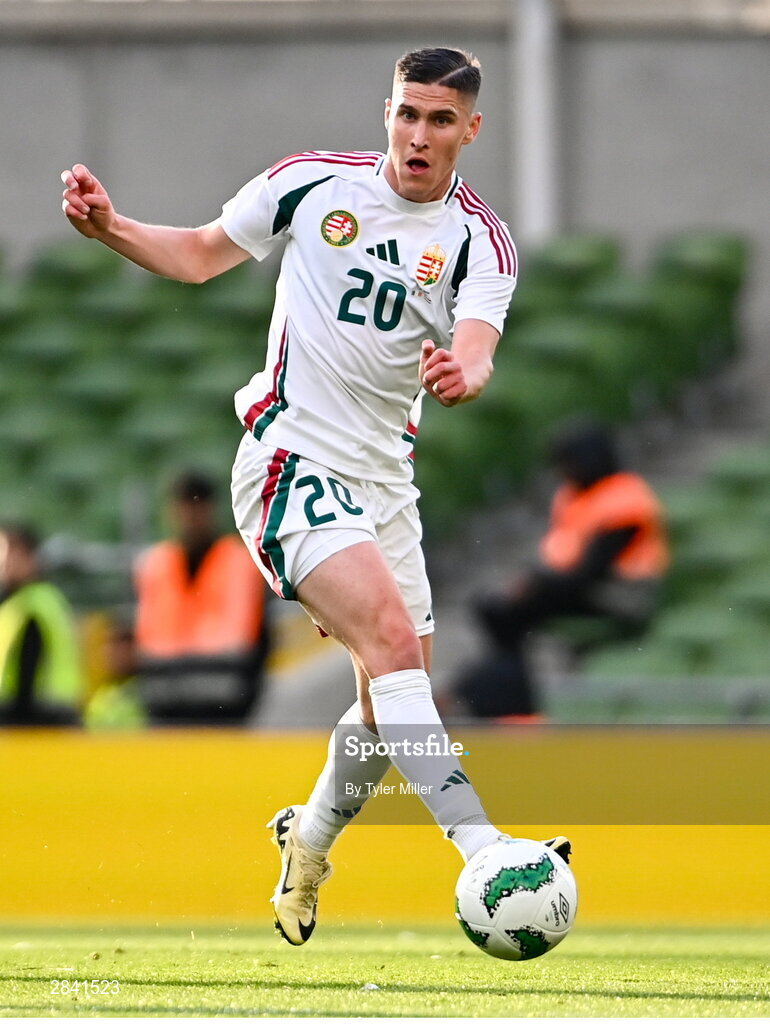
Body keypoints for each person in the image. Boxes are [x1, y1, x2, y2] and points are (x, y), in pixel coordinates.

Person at [60, 46, 571, 944]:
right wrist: (113, 229)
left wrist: (468, 370)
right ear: (387, 112)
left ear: (470, 131)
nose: (419, 135)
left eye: (440, 120)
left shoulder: (480, 242)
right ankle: (483, 848)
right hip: (290, 462)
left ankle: (310, 837)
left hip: (383, 484)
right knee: (392, 649)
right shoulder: (311, 186)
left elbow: (482, 343)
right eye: (407, 114)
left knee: (383, 698)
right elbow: (198, 257)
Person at [455, 418, 670, 719]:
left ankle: (505, 701)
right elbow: (560, 556)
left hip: (621, 595)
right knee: (495, 609)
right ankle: (510, 699)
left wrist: (534, 584)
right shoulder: (571, 496)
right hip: (575, 588)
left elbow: (591, 572)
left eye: (567, 461)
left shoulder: (626, 496)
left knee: (510, 610)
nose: (563, 470)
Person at [133, 470, 271, 723]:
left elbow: (261, 640)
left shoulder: (239, 563)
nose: (190, 517)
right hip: (164, 709)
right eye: (184, 507)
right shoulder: (154, 565)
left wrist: (246, 700)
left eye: (197, 506)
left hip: (225, 709)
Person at [0, 523, 83, 725]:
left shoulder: (30, 603)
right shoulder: (40, 599)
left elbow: (28, 664)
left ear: (29, 557)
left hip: (36, 716)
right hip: (49, 712)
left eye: (9, 553)